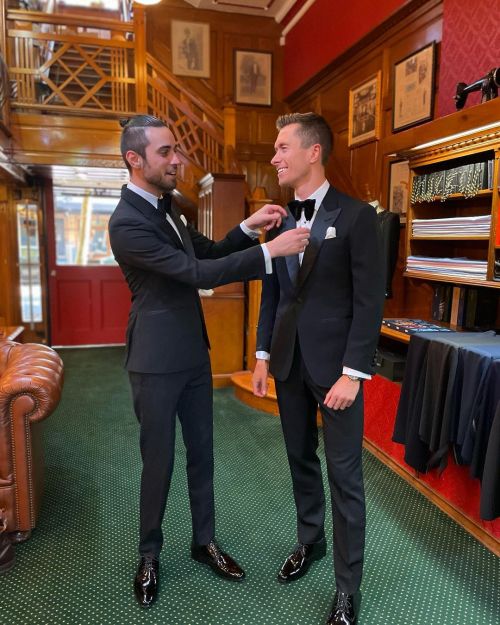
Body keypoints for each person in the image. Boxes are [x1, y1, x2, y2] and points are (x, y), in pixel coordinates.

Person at [108, 115, 310, 609]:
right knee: (158, 462)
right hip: (155, 361)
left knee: (203, 454)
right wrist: (270, 254)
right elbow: (195, 272)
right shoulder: (127, 223)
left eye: (175, 150)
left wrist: (249, 227)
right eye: (165, 153)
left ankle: (204, 542)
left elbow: (213, 250)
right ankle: (149, 555)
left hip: (194, 356)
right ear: (135, 160)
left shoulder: (171, 209)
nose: (176, 160)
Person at [252, 112, 385, 625]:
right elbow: (274, 295)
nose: (274, 156)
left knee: (344, 475)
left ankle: (348, 589)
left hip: (337, 371)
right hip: (287, 363)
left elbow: (369, 301)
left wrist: (354, 373)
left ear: (313, 152)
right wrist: (263, 355)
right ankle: (312, 541)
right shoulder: (281, 218)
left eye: (283, 147)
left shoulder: (356, 217)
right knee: (299, 460)